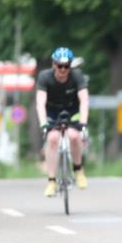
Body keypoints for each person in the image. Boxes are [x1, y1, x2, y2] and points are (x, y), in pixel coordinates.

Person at [36, 47, 90, 197]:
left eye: (66, 66)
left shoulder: (77, 76)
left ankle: (78, 170)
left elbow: (84, 99)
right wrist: (43, 124)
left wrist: (83, 123)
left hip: (72, 111)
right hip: (52, 112)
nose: (63, 70)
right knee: (53, 139)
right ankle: (52, 181)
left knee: (74, 136)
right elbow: (40, 103)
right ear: (54, 64)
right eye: (59, 66)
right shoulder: (44, 77)